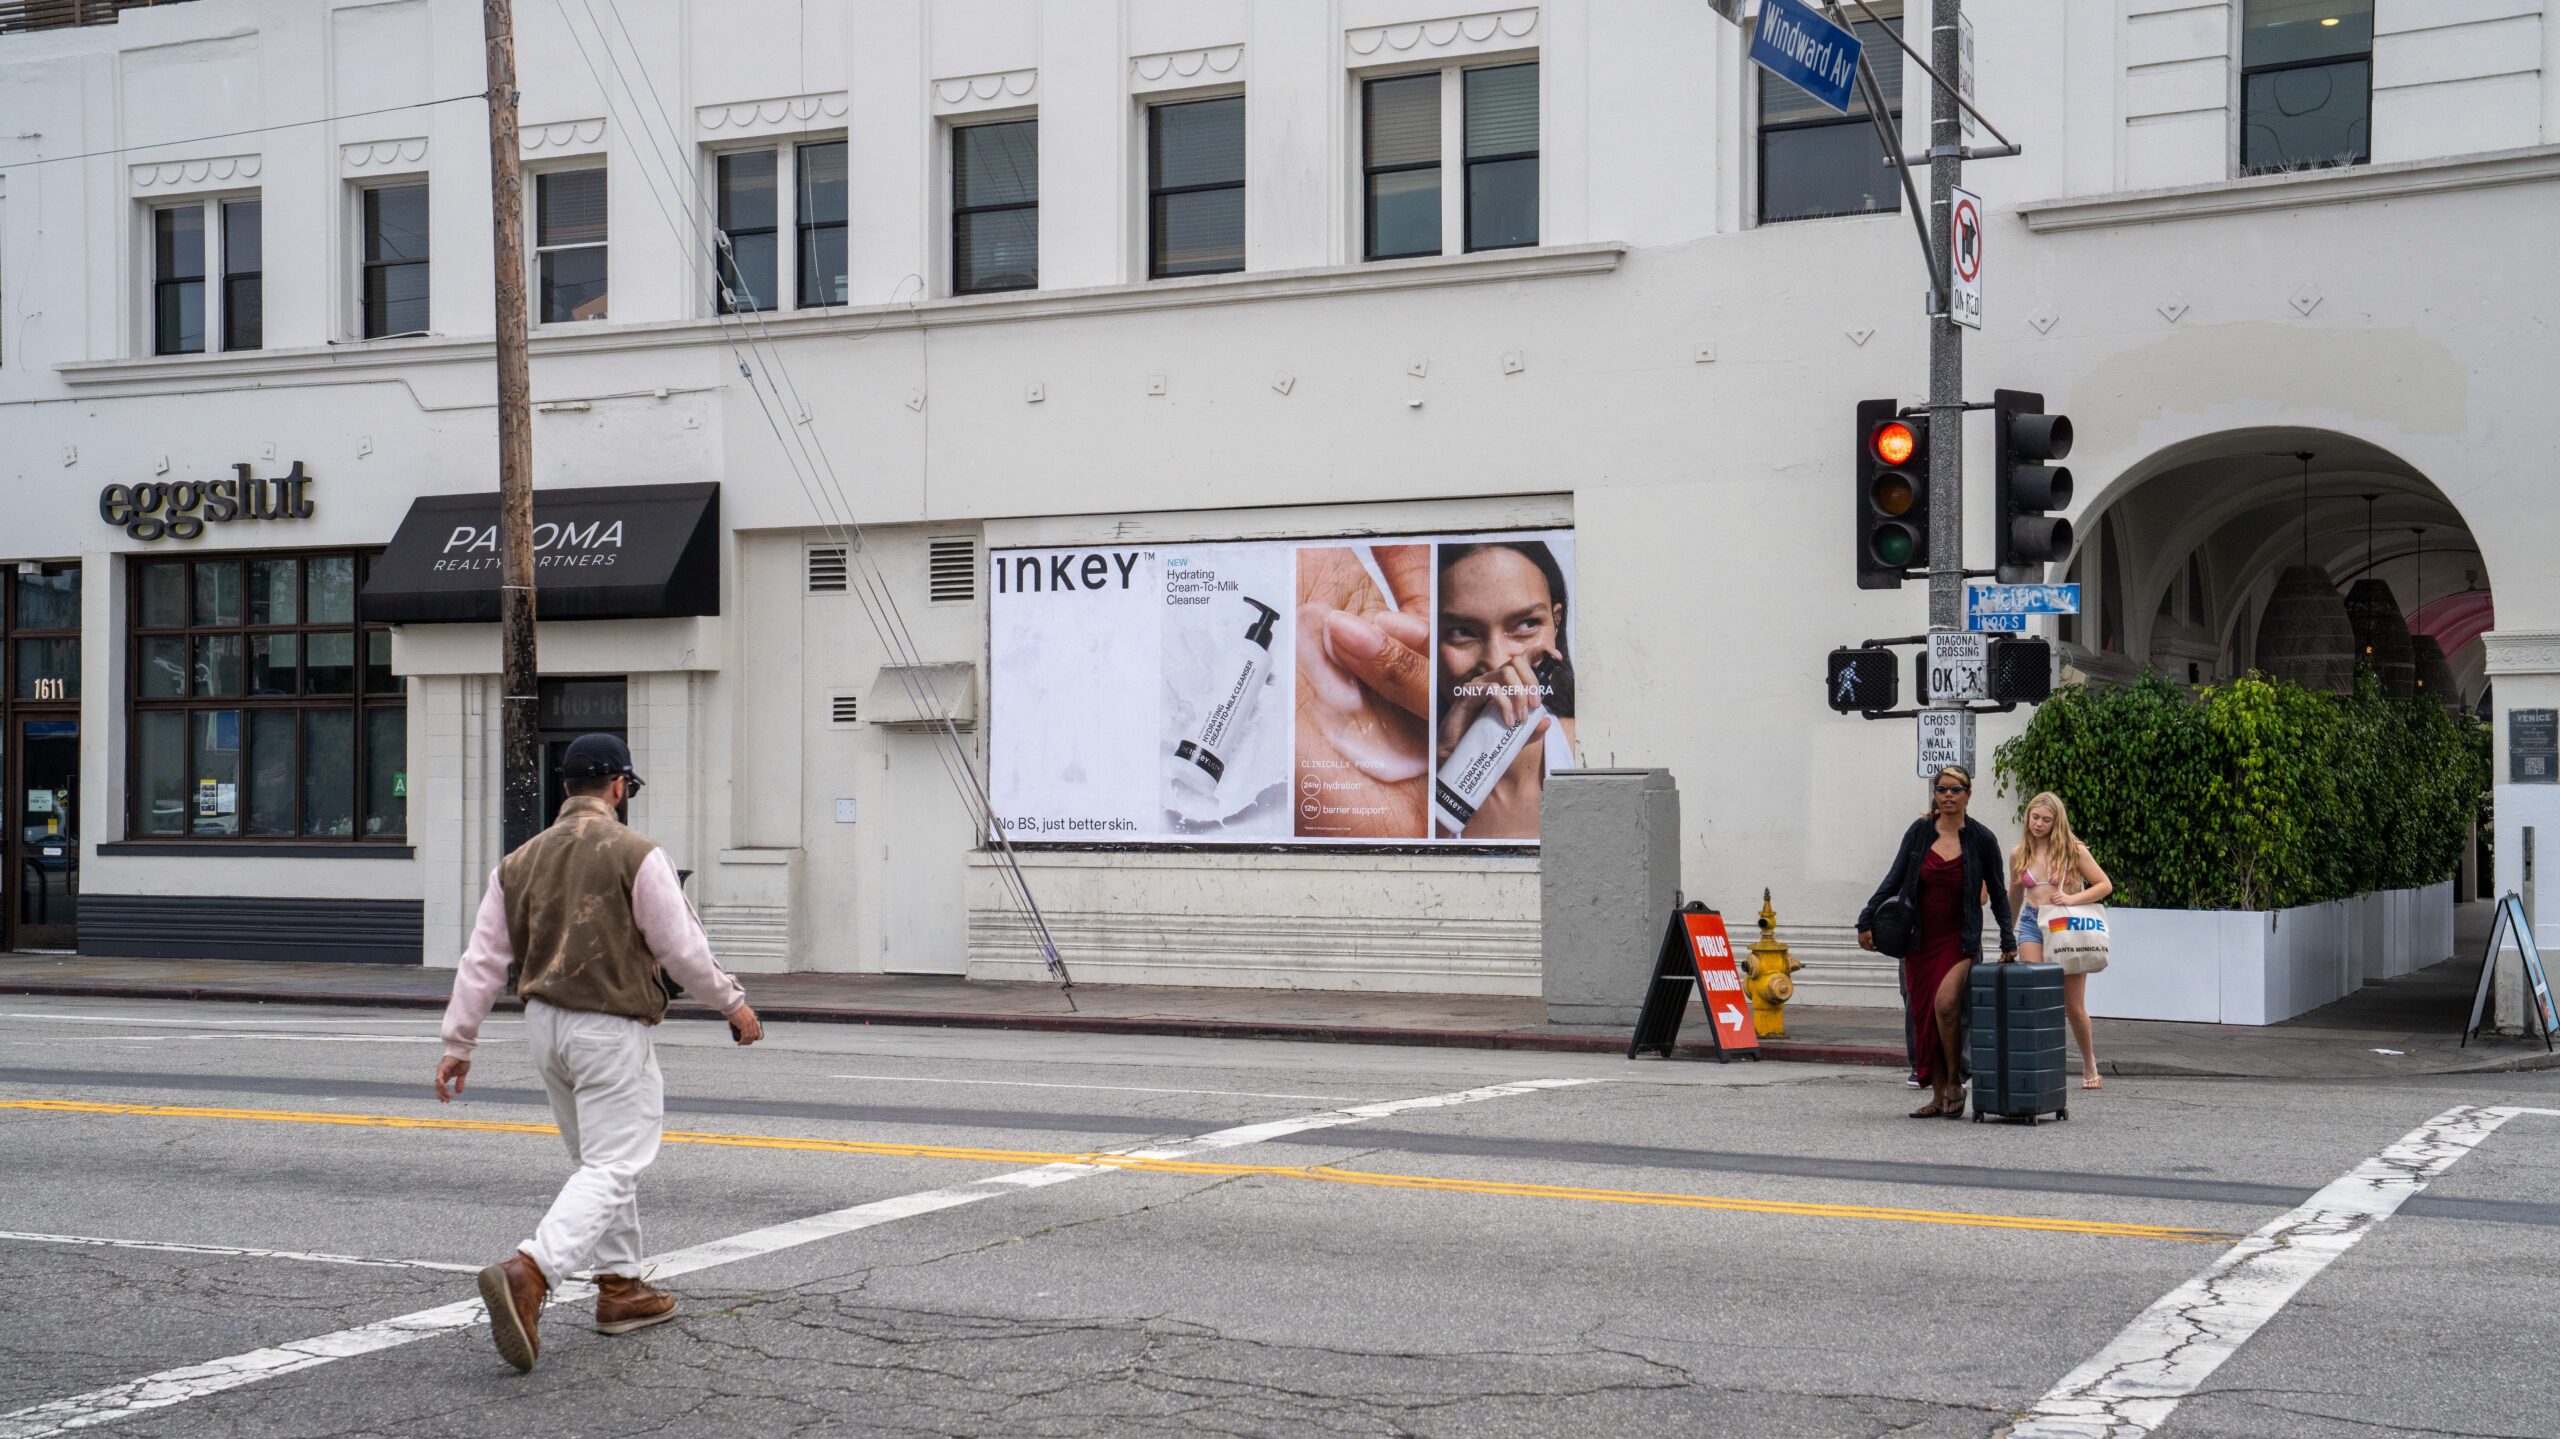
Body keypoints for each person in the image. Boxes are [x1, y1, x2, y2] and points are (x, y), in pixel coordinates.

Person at [433, 733, 763, 1373]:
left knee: (598, 1161)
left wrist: (459, 1042)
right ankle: (532, 1271)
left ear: (566, 788)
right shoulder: (637, 853)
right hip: (608, 1026)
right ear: (618, 787)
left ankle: (621, 1288)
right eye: (628, 788)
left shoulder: (518, 861)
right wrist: (733, 1004)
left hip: (544, 1025)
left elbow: (483, 959)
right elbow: (681, 948)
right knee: (616, 1161)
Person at [1857, 765, 2015, 1118]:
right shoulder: (1919, 833)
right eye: (1941, 789)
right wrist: (1866, 918)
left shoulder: (1982, 839)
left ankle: (1956, 1082)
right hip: (1920, 940)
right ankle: (1939, 1094)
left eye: (1955, 790)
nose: (1947, 795)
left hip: (1960, 940)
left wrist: (2008, 937)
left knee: (1945, 1007)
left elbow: (2000, 894)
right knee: (1926, 1016)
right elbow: (1894, 878)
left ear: (1968, 795)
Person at [1431, 541, 1579, 838]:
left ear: (1556, 623)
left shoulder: (1592, 752)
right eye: (1461, 632)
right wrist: (1442, 768)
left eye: (1526, 624)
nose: (1498, 661)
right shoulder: (1411, 778)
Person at [2008, 791, 2115, 1090]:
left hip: (2064, 926)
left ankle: (2089, 1062)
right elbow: (2015, 894)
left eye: (2046, 819)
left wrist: (2071, 897)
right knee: (2035, 996)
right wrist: (2008, 933)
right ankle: (2041, 1065)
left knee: (2073, 1007)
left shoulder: (2073, 849)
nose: (2038, 824)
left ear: (2057, 822)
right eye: (2034, 817)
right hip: (2032, 923)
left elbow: (2104, 885)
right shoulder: (2019, 853)